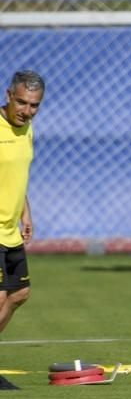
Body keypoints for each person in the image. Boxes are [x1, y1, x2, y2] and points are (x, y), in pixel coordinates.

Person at [0, 70, 44, 337]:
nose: (27, 111)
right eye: (21, 102)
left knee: (19, 293)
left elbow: (16, 176)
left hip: (10, 230)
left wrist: (25, 213)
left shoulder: (27, 128)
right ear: (8, 96)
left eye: (34, 105)